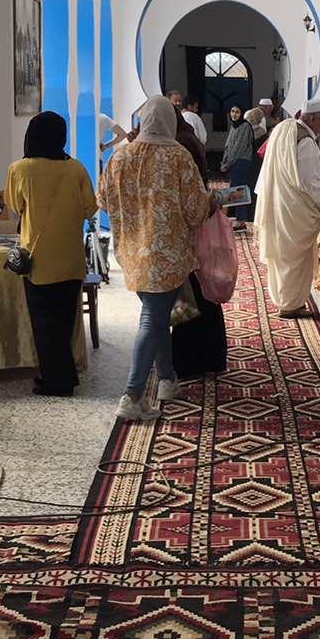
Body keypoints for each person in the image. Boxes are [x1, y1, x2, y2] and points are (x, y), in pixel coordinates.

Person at [98, 96, 215, 420]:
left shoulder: (120, 157)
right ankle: (132, 395)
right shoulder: (178, 157)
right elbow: (195, 210)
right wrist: (213, 203)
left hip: (132, 253)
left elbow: (103, 201)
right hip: (168, 256)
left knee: (159, 314)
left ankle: (167, 379)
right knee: (153, 318)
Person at [5, 112, 96, 397]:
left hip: (38, 260)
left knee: (44, 326)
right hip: (71, 258)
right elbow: (90, 208)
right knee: (65, 323)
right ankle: (63, 377)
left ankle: (57, 382)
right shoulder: (76, 168)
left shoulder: (20, 169)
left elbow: (15, 205)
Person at [254, 97, 320, 318]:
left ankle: (284, 300)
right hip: (294, 210)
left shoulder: (284, 130)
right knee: (294, 259)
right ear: (313, 119)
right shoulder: (304, 142)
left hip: (279, 202)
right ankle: (290, 304)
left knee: (282, 256)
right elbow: (309, 182)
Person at [171, 113, 228, 379]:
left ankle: (189, 361)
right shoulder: (188, 140)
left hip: (188, 234)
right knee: (202, 294)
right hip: (196, 230)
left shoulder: (180, 147)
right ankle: (209, 358)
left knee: (190, 296)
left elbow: (189, 198)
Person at [221, 105, 257, 227]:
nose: (234, 114)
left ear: (242, 114)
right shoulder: (234, 126)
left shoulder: (245, 126)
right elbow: (228, 146)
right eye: (232, 111)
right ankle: (237, 217)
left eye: (237, 112)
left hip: (242, 162)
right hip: (234, 162)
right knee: (234, 189)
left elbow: (239, 147)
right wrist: (224, 162)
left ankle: (241, 220)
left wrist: (228, 163)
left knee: (239, 190)